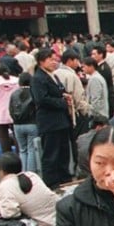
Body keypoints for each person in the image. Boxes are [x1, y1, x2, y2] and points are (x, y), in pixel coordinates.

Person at [31, 48, 74, 188]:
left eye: (55, 59)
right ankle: (52, 182)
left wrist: (65, 96)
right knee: (51, 154)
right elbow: (42, 99)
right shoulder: (38, 78)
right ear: (41, 61)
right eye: (50, 59)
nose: (54, 62)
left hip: (61, 121)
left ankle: (65, 178)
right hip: (49, 122)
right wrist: (62, 102)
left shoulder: (53, 75)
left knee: (63, 152)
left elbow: (59, 91)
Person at [0, 152, 58, 226]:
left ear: (2, 171)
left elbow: (9, 213)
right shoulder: (32, 175)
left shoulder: (6, 185)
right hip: (59, 220)